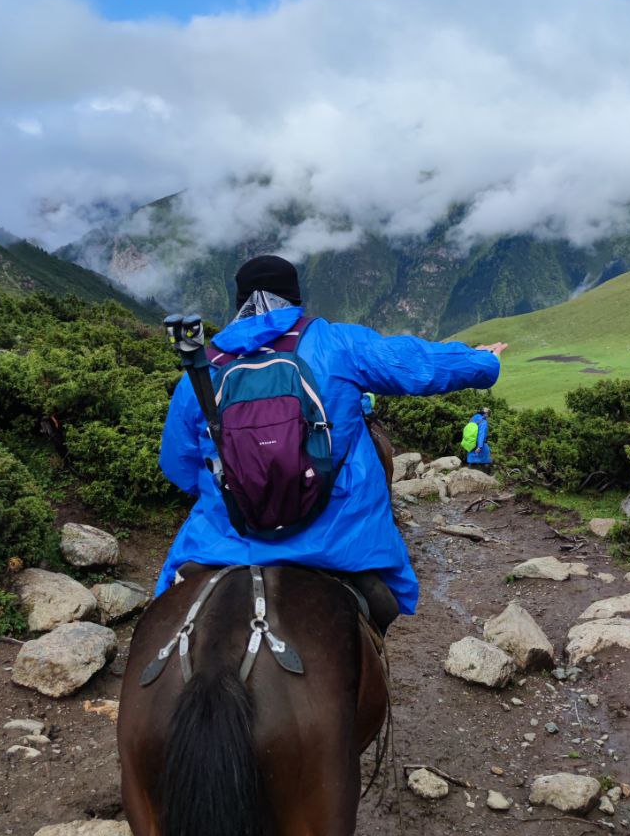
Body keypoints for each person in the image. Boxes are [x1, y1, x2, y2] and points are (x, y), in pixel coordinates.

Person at [155, 254, 506, 621]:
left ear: (238, 300)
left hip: (224, 540)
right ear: (294, 297)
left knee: (171, 615)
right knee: (381, 607)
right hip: (339, 537)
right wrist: (484, 362)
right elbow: (417, 363)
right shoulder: (337, 343)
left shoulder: (202, 368)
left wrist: (247, 489)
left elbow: (179, 465)